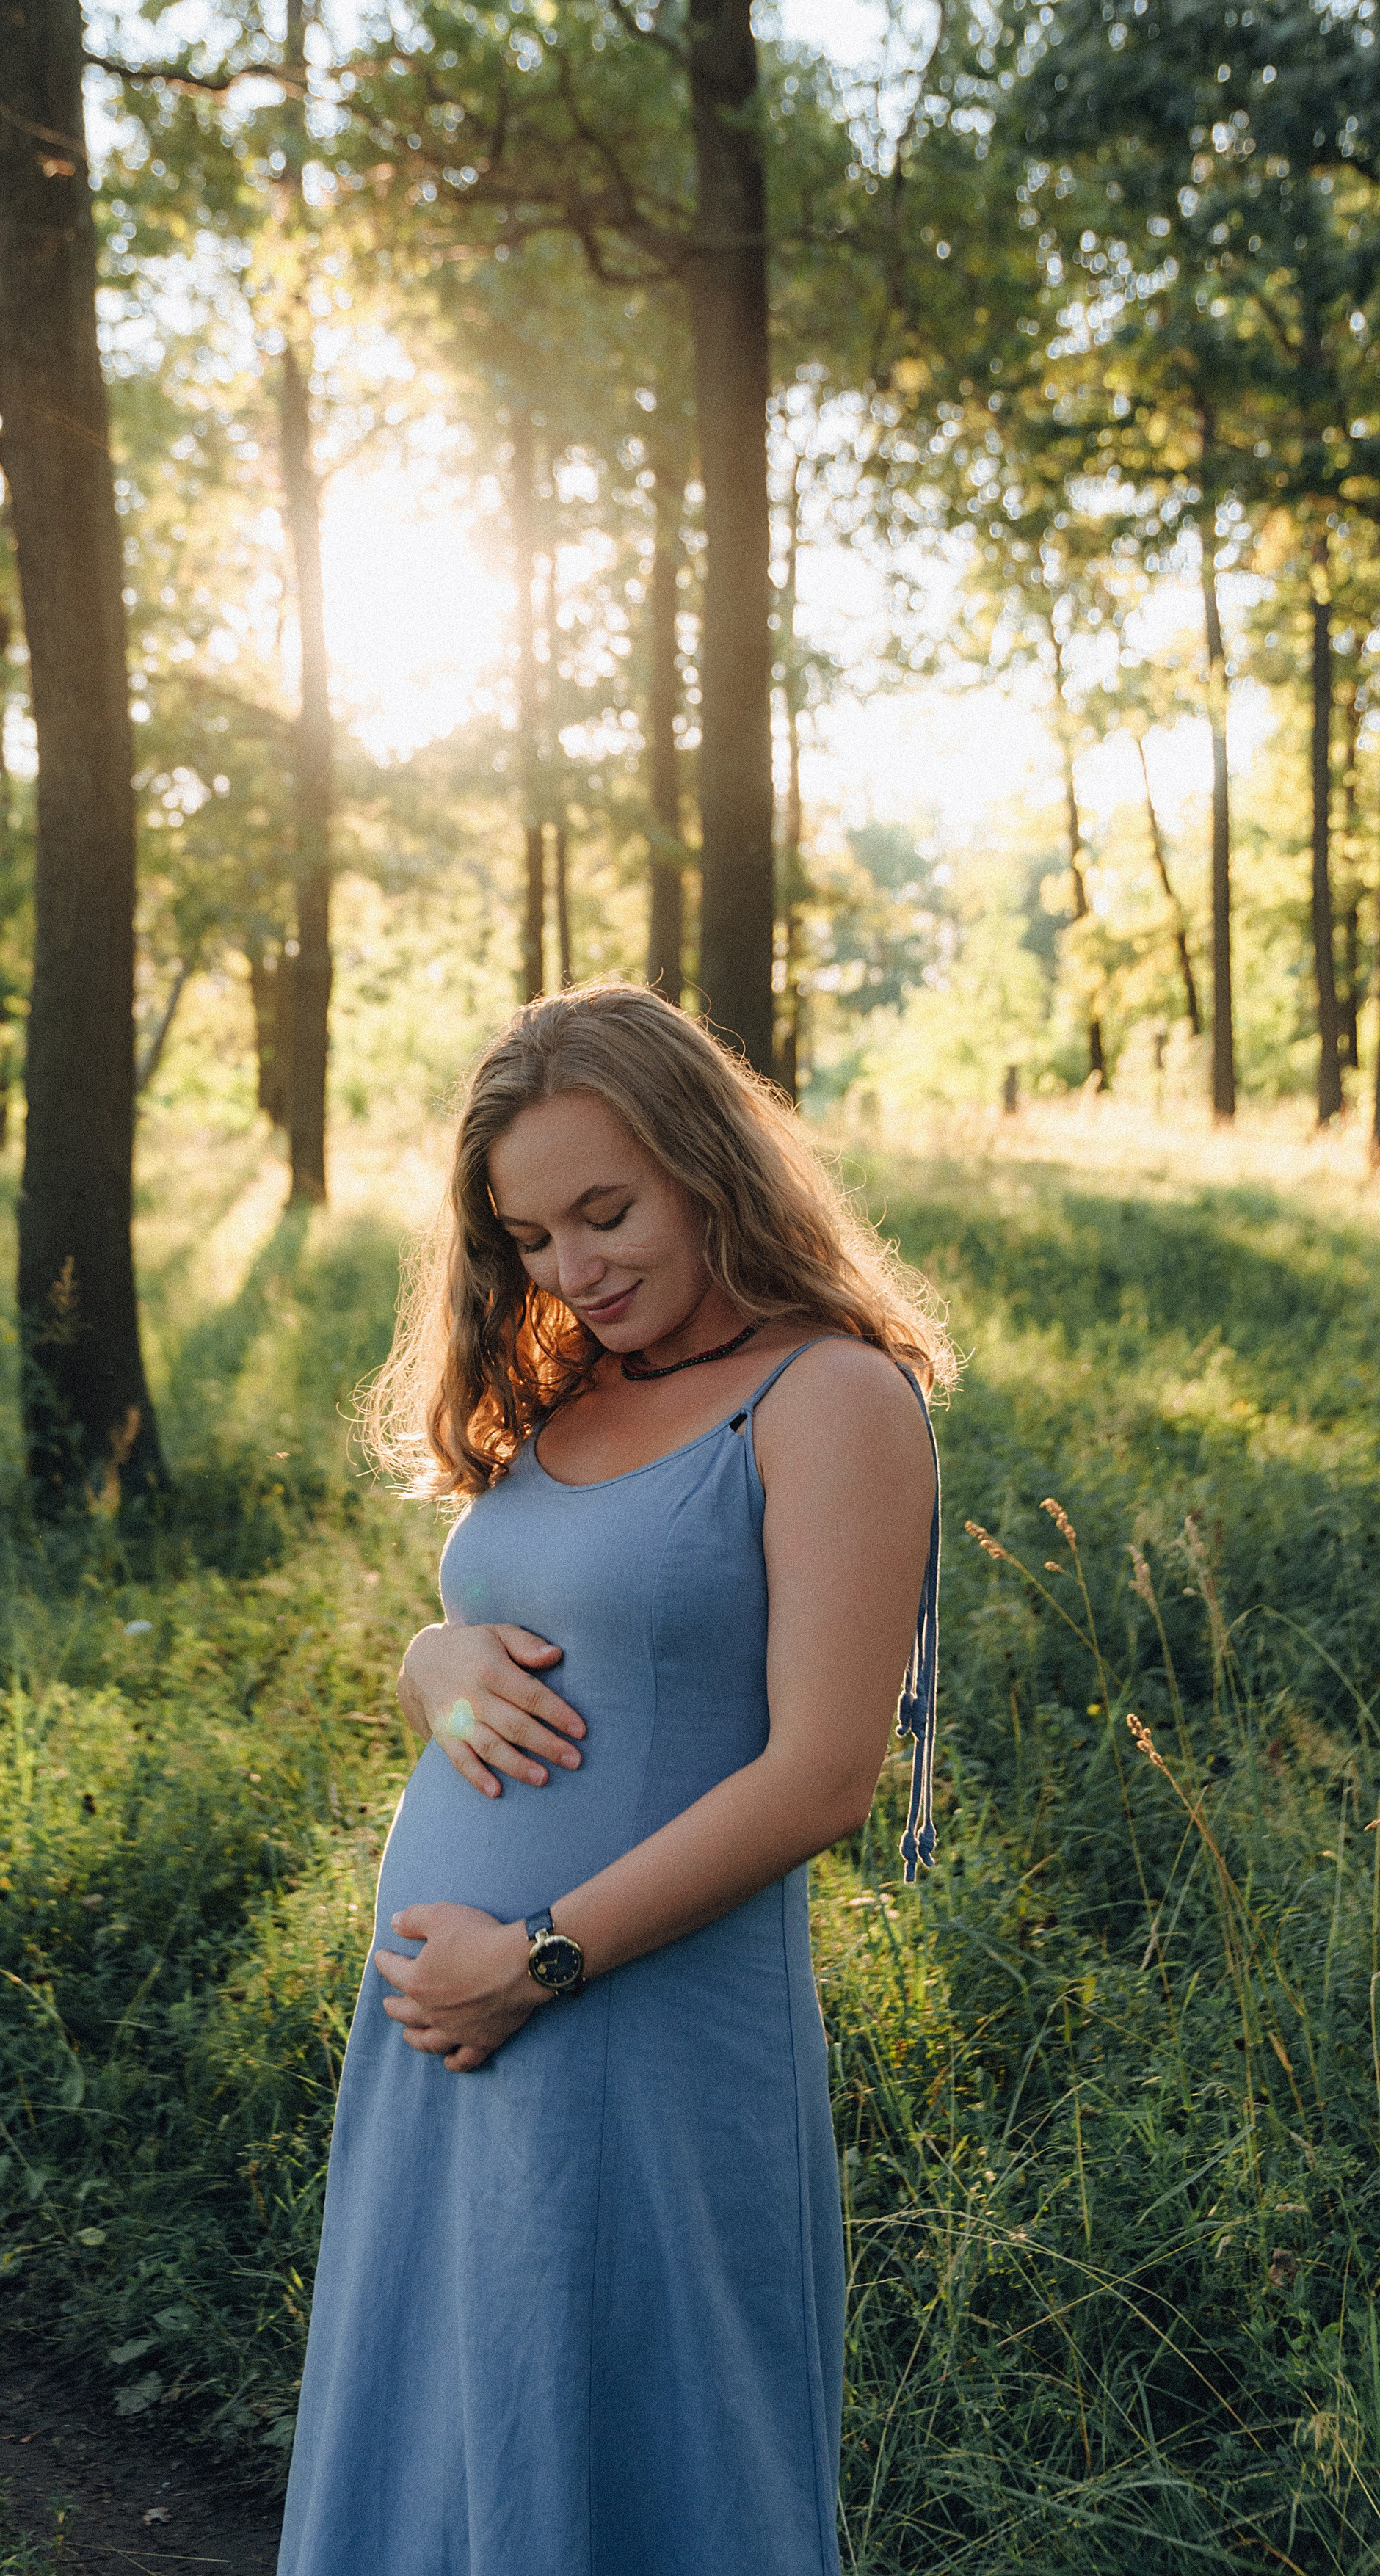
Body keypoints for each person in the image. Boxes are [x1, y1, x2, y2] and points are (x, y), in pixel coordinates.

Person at [276, 982, 951, 2576]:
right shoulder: (570, 1389)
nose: (573, 1270)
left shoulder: (830, 1397)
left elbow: (819, 1775)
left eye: (605, 1210)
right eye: (528, 1235)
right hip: (453, 2027)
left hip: (629, 2022)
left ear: (708, 1163)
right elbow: (529, 1638)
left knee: (636, 2443)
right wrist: (427, 1663)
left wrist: (536, 1956)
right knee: (447, 2426)